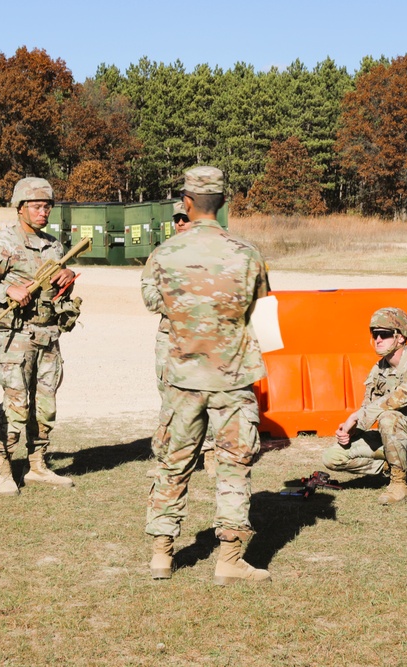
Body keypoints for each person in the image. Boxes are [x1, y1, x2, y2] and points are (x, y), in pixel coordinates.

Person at [142, 166, 271, 585]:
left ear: (186, 203)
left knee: (173, 463)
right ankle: (229, 559)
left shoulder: (165, 252)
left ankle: (162, 554)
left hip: (182, 377)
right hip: (232, 378)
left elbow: (151, 301)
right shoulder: (247, 253)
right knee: (234, 466)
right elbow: (263, 311)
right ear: (224, 202)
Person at [0, 177, 79, 494]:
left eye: (47, 206)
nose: (43, 212)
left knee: (46, 405)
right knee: (16, 406)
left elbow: (59, 293)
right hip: (16, 338)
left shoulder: (54, 245)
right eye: (36, 206)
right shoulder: (1, 245)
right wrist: (7, 290)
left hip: (49, 336)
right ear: (20, 208)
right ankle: (3, 472)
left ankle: (38, 466)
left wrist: (68, 278)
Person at [324, 307, 407, 505]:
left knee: (389, 417)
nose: (378, 339)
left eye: (385, 334)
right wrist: (352, 431)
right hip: (391, 438)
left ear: (401, 337)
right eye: (375, 334)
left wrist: (355, 417)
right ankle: (393, 465)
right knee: (332, 457)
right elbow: (369, 406)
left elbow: (396, 401)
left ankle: (399, 484)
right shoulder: (379, 369)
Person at [142, 200, 217, 480]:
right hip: (171, 335)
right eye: (177, 219)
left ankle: (209, 453)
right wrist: (177, 305)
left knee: (206, 392)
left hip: (205, 336)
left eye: (186, 218)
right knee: (169, 395)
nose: (181, 223)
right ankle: (170, 457)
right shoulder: (161, 254)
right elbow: (149, 292)